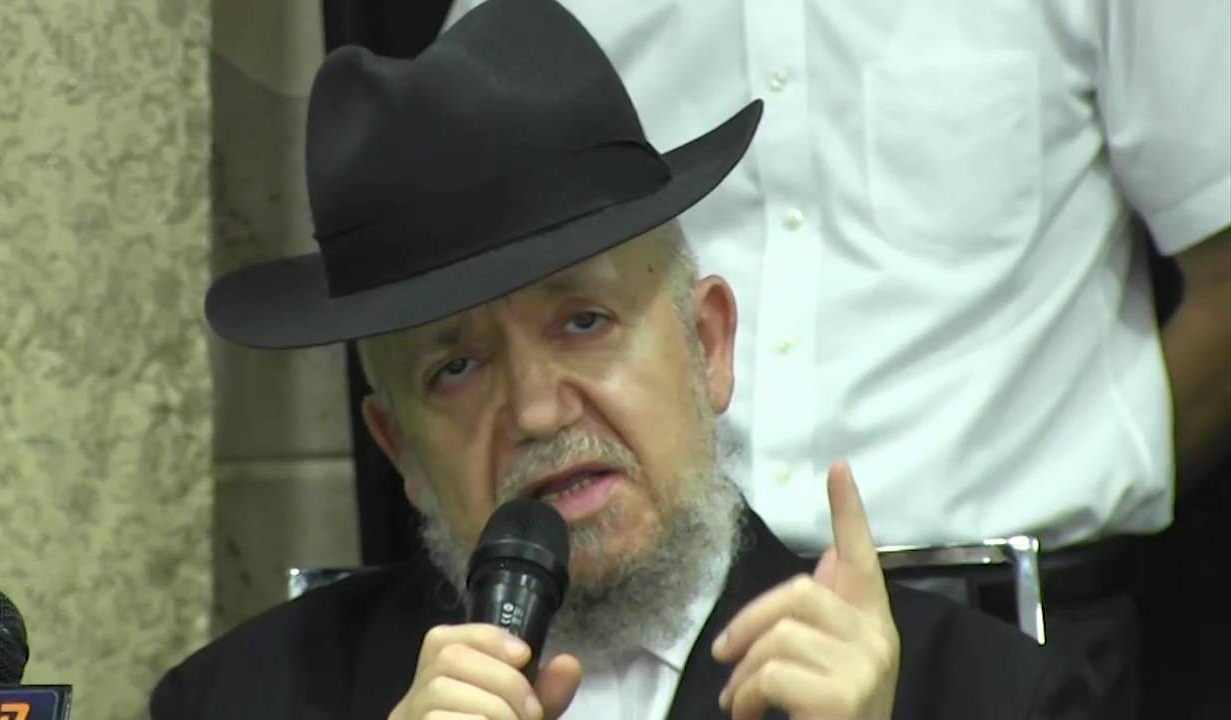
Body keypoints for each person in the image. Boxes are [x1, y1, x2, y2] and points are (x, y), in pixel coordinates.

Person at [151, 1, 1098, 718]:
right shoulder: (240, 701)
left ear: (708, 345)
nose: (537, 410)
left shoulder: (983, 695)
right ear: (398, 446)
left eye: (584, 323)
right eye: (456, 369)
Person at [435, 1, 1231, 717]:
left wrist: (1103, 453)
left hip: (1023, 629)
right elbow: (444, 289)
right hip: (668, 637)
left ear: (713, 341)